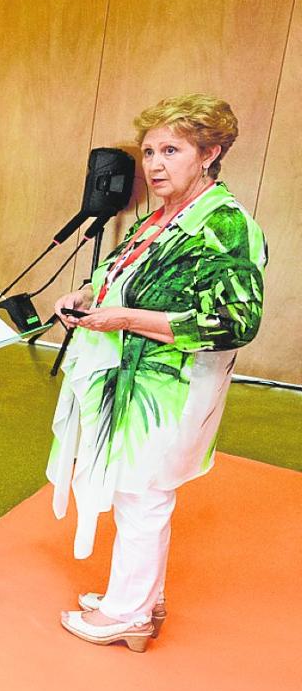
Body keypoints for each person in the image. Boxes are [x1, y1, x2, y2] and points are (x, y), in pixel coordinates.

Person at [48, 94, 267, 652]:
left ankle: (128, 614)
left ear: (210, 153)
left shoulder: (224, 223)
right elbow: (114, 280)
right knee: (136, 491)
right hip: (131, 382)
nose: (154, 164)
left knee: (144, 493)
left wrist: (123, 318)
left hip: (169, 389)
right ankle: (141, 597)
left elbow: (236, 320)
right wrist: (87, 294)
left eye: (172, 150)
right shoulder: (157, 219)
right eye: (149, 151)